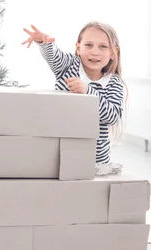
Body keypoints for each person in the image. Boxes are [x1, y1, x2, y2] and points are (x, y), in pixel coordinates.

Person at [22, 22, 125, 168]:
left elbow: (112, 116)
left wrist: (88, 91)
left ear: (113, 53)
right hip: (59, 153)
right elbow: (55, 57)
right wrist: (44, 43)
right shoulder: (69, 65)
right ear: (78, 48)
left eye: (103, 46)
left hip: (95, 161)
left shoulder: (114, 83)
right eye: (88, 45)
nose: (95, 52)